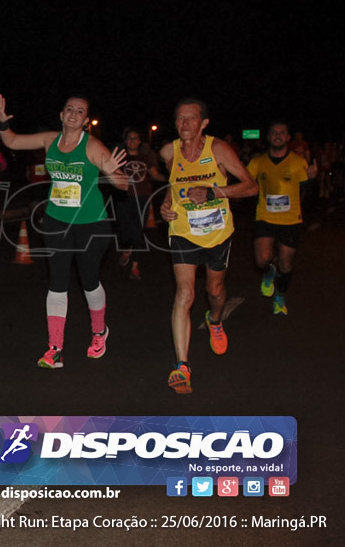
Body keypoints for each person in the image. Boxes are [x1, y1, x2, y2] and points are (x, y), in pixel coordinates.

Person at [0, 94, 128, 369]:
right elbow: (12, 141)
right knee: (57, 282)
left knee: (89, 280)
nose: (74, 114)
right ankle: (54, 348)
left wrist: (114, 173)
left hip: (91, 223)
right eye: (69, 109)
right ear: (62, 114)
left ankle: (99, 332)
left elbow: (124, 185)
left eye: (80, 111)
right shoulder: (49, 139)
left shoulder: (92, 146)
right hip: (56, 219)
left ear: (86, 120)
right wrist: (1, 122)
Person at [159, 99, 257, 394]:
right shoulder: (168, 152)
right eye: (180, 119)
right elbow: (172, 186)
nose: (185, 124)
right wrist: (166, 205)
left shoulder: (218, 150)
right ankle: (182, 367)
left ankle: (214, 320)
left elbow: (251, 186)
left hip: (217, 233)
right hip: (183, 231)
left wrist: (215, 191)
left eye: (191, 119)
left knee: (214, 291)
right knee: (185, 292)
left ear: (204, 123)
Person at [246, 122, 317, 315]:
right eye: (274, 133)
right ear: (268, 138)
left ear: (288, 138)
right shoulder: (257, 162)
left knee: (286, 263)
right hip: (265, 217)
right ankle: (269, 271)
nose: (278, 136)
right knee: (262, 259)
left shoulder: (298, 161)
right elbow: (245, 185)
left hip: (291, 220)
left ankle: (280, 295)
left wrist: (312, 178)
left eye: (282, 133)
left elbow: (308, 193)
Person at [114, 127, 165, 280]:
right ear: (125, 141)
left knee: (137, 231)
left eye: (135, 138)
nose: (132, 141)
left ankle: (135, 266)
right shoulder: (121, 158)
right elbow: (112, 175)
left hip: (142, 197)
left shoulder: (145, 158)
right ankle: (127, 249)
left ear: (140, 141)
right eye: (129, 138)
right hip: (124, 197)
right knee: (124, 230)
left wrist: (171, 179)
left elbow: (154, 175)